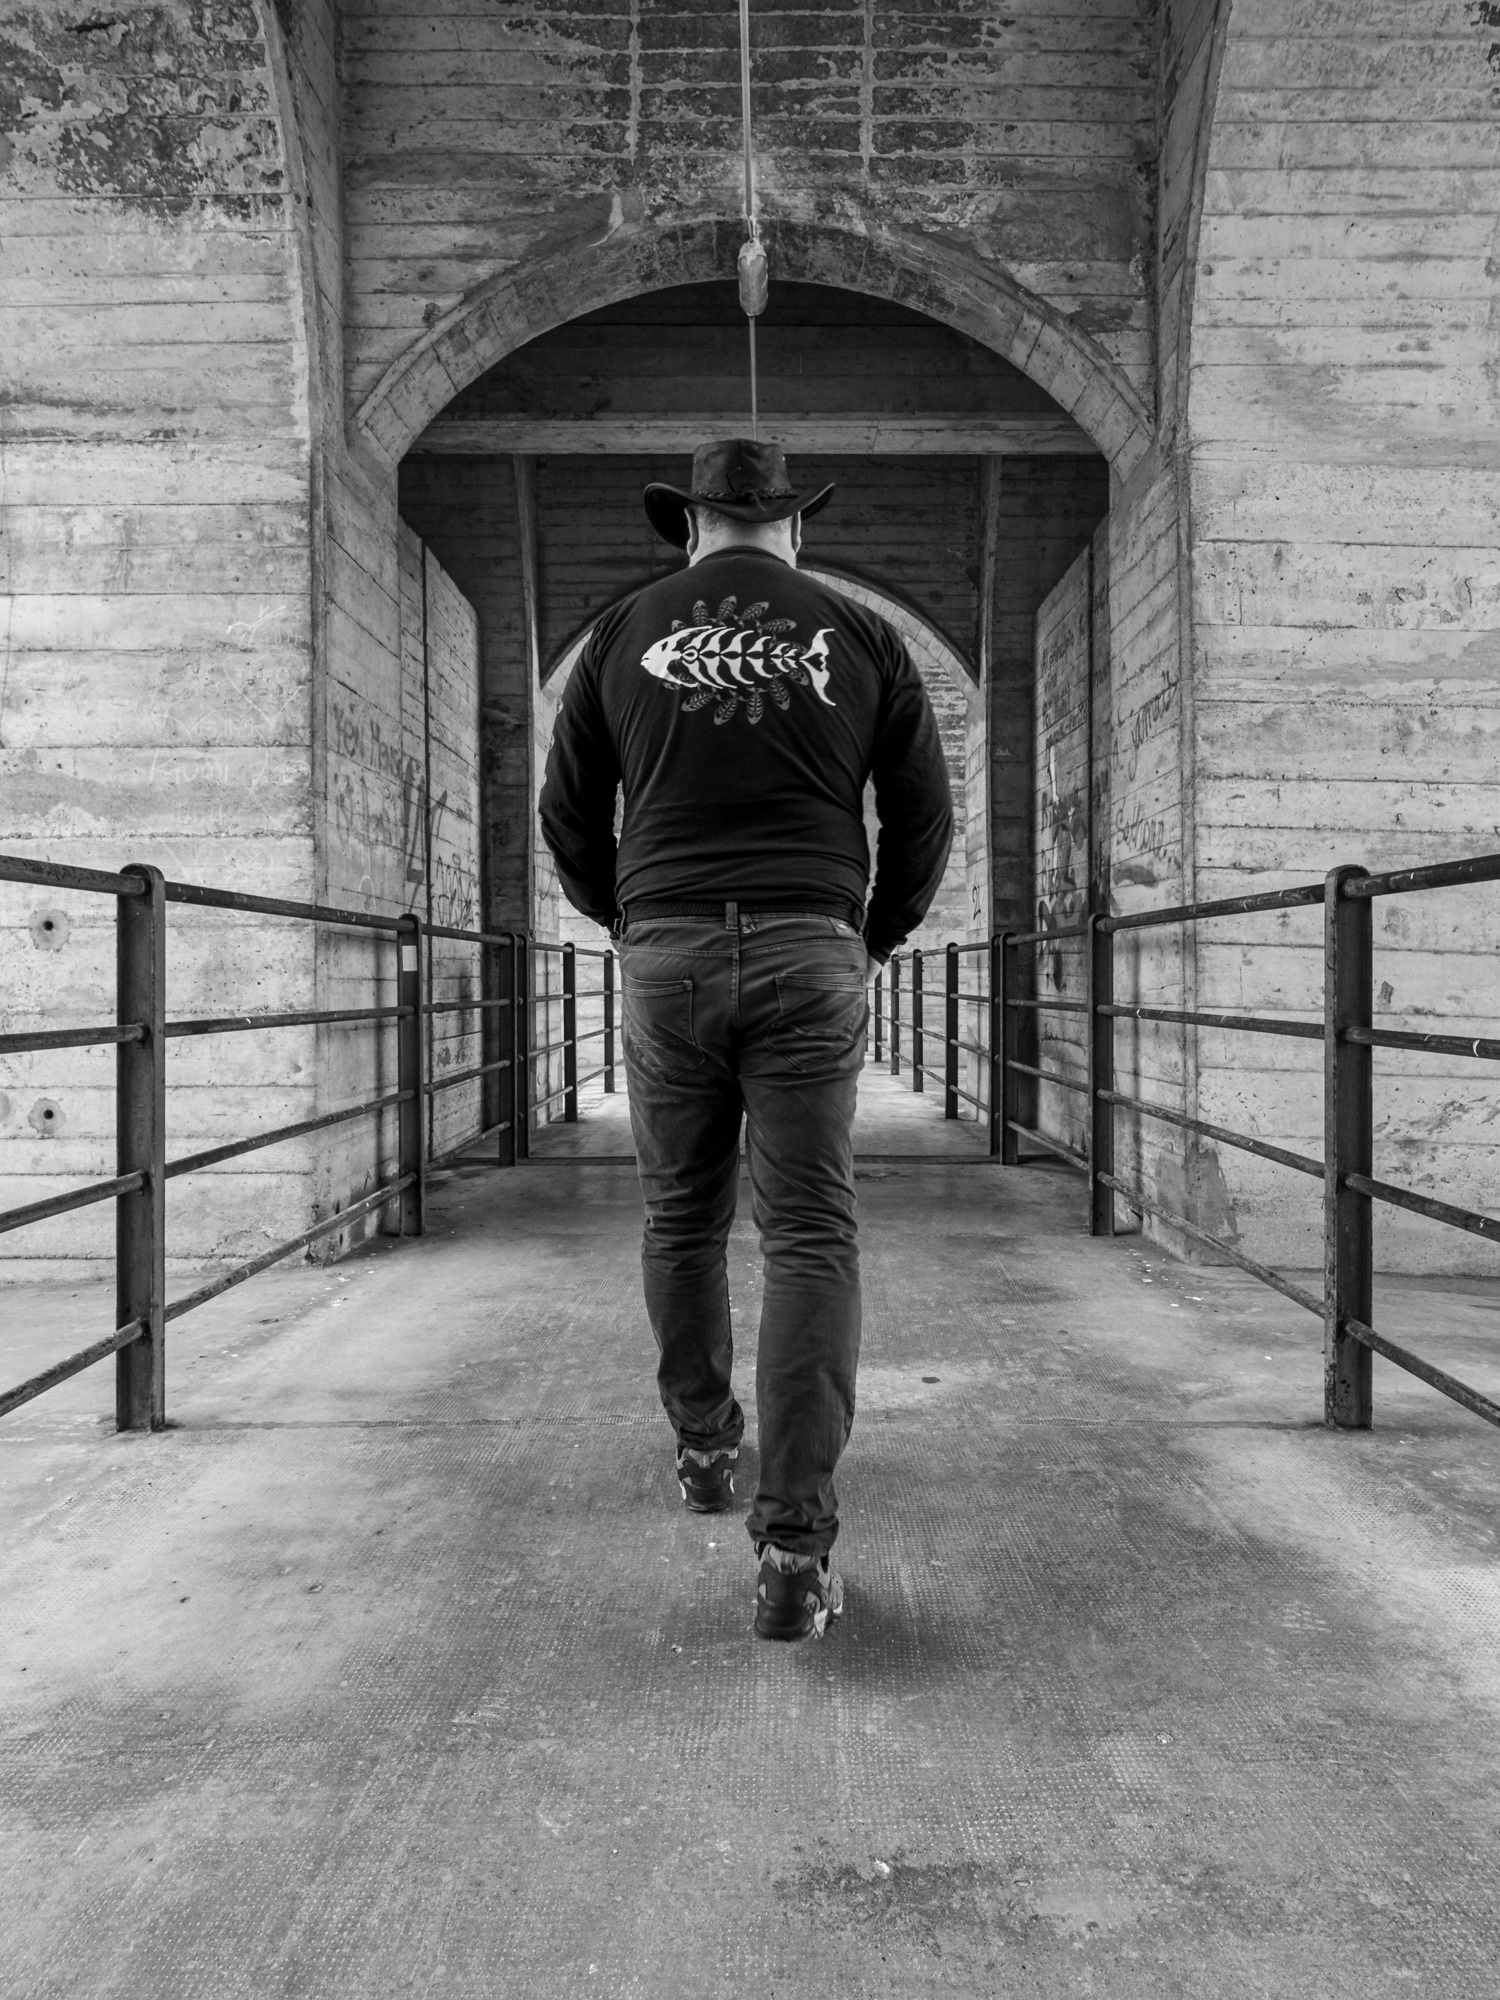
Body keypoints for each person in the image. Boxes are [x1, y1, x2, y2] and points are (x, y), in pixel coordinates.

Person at [539, 439, 952, 1641]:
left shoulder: (619, 634)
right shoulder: (865, 635)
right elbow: (923, 814)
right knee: (811, 1230)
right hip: (811, 945)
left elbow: (568, 814)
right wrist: (872, 934)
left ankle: (708, 1446)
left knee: (681, 1217)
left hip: (666, 949)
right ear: (794, 527)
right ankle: (794, 1548)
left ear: (690, 526)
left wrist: (630, 916)